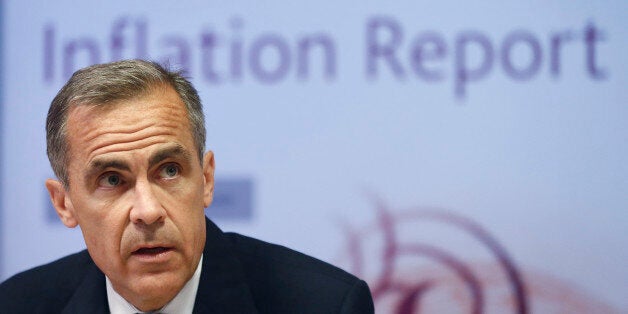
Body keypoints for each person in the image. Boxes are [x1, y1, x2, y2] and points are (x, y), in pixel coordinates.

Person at [0, 60, 374, 313]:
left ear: (206, 179)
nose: (148, 211)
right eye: (112, 180)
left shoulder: (323, 305)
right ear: (64, 204)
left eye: (169, 171)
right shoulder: (18, 304)